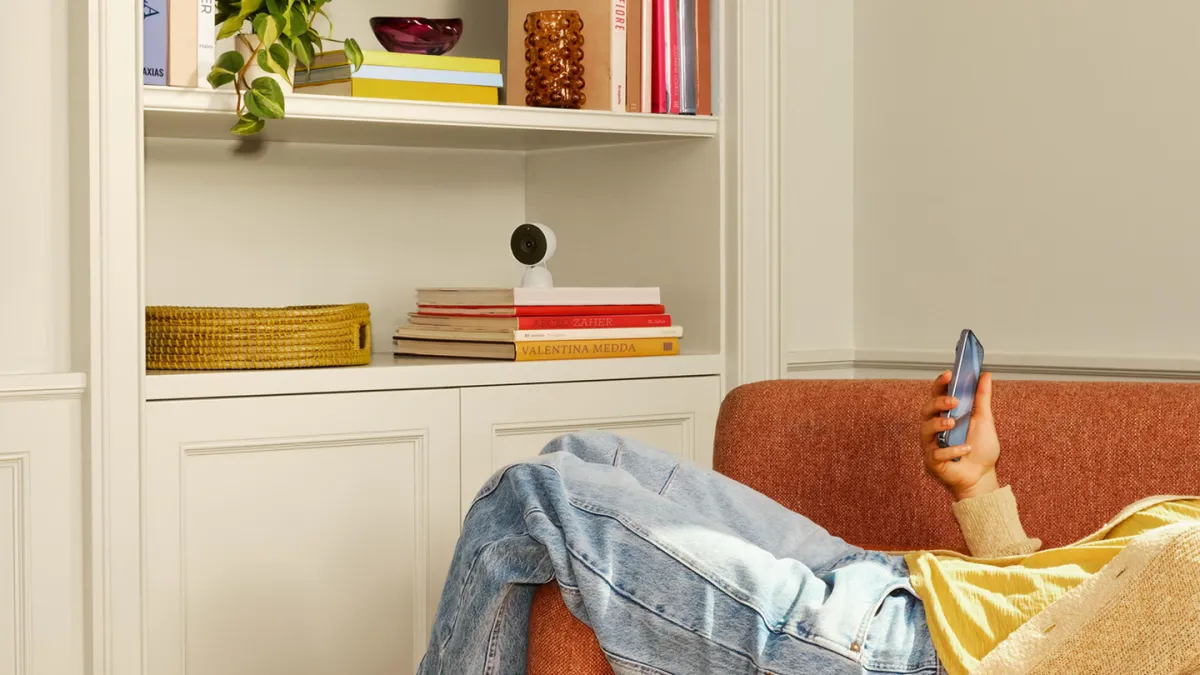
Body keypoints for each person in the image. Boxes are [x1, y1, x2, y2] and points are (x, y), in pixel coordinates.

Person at [417, 372, 1200, 675]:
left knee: (528, 498)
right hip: (911, 585)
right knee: (589, 455)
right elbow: (1084, 619)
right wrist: (979, 484)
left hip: (907, 648)